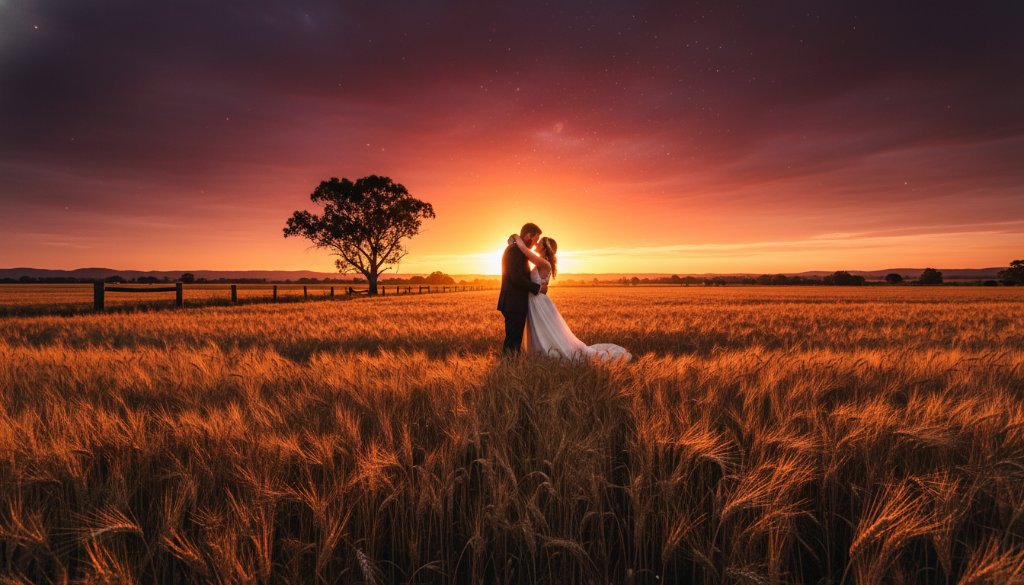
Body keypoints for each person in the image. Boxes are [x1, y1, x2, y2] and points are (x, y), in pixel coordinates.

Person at [507, 233, 632, 362]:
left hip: (538, 302)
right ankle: (540, 354)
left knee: (545, 330)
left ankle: (549, 354)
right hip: (535, 301)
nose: (536, 244)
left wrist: (516, 237)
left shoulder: (544, 263)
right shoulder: (543, 262)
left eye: (539, 243)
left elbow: (525, 251)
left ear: (544, 248)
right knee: (541, 331)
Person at [497, 223, 546, 354]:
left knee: (514, 340)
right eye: (535, 239)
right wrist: (538, 288)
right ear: (528, 235)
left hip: (514, 302)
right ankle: (508, 367)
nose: (535, 244)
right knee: (512, 341)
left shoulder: (518, 249)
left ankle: (510, 366)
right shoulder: (515, 251)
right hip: (513, 303)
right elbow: (516, 277)